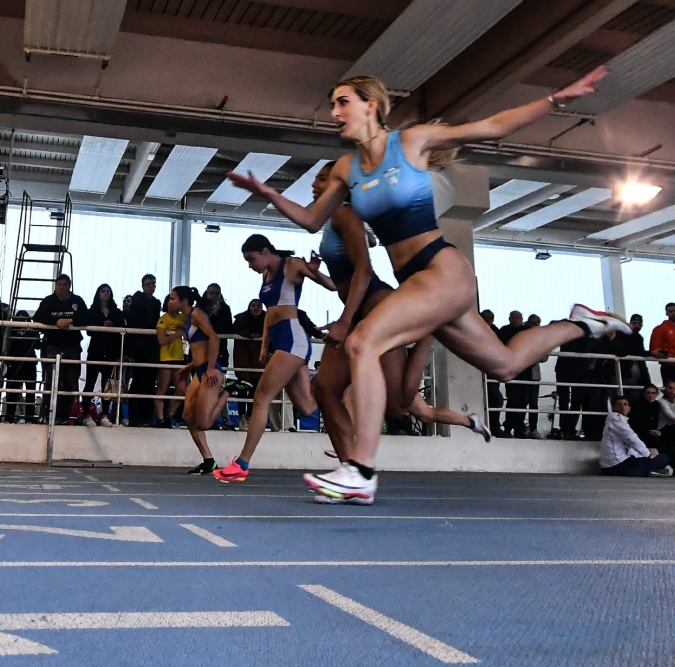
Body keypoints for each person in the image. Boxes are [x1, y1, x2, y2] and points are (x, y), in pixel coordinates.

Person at [229, 66, 626, 505]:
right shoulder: (346, 168)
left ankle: (360, 470)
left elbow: (491, 127)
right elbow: (309, 220)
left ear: (371, 105)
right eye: (333, 104)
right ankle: (582, 325)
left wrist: (556, 100)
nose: (333, 112)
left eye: (342, 102)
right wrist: (268, 193)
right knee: (505, 364)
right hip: (416, 282)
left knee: (363, 342)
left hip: (442, 270)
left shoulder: (411, 141)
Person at [305, 162, 490, 460]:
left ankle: (429, 332)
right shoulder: (331, 221)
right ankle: (350, 467)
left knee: (401, 405)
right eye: (315, 179)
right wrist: (316, 273)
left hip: (374, 306)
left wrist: (344, 320)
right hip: (359, 313)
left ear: (340, 187)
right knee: (325, 388)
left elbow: (364, 272)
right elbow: (342, 279)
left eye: (323, 179)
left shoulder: (343, 213)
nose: (315, 184)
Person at [213, 235, 333, 483]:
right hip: (280, 341)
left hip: (294, 339)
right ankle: (341, 406)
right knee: (308, 406)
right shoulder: (266, 275)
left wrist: (318, 270)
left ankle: (242, 464)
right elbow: (270, 314)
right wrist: (264, 345)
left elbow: (331, 286)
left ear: (265, 251)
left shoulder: (293, 264)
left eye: (251, 259)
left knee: (261, 396)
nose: (250, 265)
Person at [169, 287, 227, 475]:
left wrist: (210, 368)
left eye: (172, 298)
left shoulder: (196, 314)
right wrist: (188, 368)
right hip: (198, 371)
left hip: (210, 372)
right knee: (187, 416)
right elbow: (198, 349)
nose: (169, 302)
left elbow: (215, 339)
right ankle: (208, 460)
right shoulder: (187, 319)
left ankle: (229, 391)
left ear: (183, 300)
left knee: (203, 423)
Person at [34, 274, 87, 422]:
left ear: (69, 286)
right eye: (59, 284)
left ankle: (65, 416)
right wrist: (56, 321)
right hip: (53, 346)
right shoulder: (48, 301)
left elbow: (86, 317)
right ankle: (47, 414)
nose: (62, 287)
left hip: (72, 346)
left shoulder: (78, 301)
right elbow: (37, 317)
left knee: (71, 382)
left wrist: (70, 320)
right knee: (52, 381)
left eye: (65, 284)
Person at [80, 284, 125, 425]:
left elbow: (120, 331)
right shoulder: (92, 311)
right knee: (90, 383)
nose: (105, 294)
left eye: (108, 291)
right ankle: (86, 414)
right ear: (98, 293)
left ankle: (105, 414)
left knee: (107, 385)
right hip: (95, 351)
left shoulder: (116, 312)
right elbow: (89, 331)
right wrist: (101, 326)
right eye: (103, 291)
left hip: (110, 353)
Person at [122, 274, 163, 427]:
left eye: (153, 283)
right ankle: (135, 417)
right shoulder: (137, 299)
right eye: (148, 284)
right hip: (140, 346)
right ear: (143, 285)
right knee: (138, 381)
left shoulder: (156, 302)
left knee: (149, 383)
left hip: (151, 347)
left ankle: (146, 417)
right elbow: (134, 319)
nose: (151, 286)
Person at [600, 396, 671, 477]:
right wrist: (648, 455)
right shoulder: (614, 417)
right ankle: (651, 471)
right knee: (664, 458)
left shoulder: (623, 421)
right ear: (614, 408)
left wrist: (645, 457)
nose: (623, 407)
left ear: (629, 408)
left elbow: (629, 447)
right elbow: (631, 437)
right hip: (618, 466)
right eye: (619, 404)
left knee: (656, 458)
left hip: (618, 465)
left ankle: (651, 471)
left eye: (625, 404)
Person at [632, 384, 675, 474]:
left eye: (653, 393)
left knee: (667, 442)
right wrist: (649, 431)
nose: (651, 395)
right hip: (640, 433)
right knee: (662, 442)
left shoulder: (656, 405)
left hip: (653, 432)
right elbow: (635, 424)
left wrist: (655, 430)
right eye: (648, 393)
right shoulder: (636, 405)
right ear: (643, 393)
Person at [154, 290, 189, 427]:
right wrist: (177, 334)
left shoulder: (183, 318)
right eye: (169, 300)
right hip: (166, 358)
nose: (170, 303)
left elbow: (190, 329)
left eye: (173, 300)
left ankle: (169, 414)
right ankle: (160, 418)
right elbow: (162, 339)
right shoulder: (163, 319)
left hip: (179, 357)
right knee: (162, 388)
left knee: (181, 389)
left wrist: (184, 329)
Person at [231, 298, 266, 377]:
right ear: (249, 307)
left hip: (260, 353)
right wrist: (249, 335)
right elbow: (235, 329)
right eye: (253, 306)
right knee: (244, 375)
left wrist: (261, 335)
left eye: (258, 306)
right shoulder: (240, 319)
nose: (255, 308)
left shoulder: (268, 319)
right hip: (243, 351)